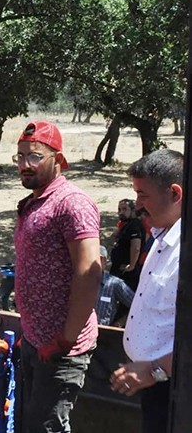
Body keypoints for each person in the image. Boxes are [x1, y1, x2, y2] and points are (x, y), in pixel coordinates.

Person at [12, 121, 102, 433]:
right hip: (36, 341)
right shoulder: (36, 201)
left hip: (62, 349)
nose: (25, 165)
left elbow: (89, 274)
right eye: (20, 156)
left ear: (58, 159)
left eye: (34, 156)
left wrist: (62, 340)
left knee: (46, 429)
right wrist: (31, 329)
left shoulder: (72, 204)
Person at [110, 149, 183, 433]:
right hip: (155, 385)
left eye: (144, 195)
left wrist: (156, 369)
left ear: (175, 194)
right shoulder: (163, 235)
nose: (138, 205)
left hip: (174, 390)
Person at [109, 198, 144, 291]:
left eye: (125, 209)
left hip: (126, 271)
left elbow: (136, 246)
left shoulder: (134, 225)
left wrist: (131, 265)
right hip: (118, 267)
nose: (121, 212)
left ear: (133, 211)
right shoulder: (125, 225)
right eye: (119, 210)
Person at [95, 246, 134, 327]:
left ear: (104, 261)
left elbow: (137, 305)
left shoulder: (114, 284)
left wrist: (120, 323)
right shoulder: (78, 283)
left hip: (103, 334)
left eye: (97, 259)